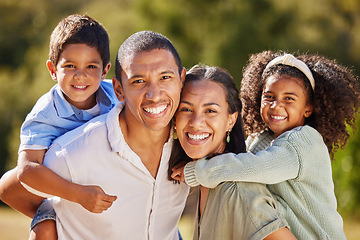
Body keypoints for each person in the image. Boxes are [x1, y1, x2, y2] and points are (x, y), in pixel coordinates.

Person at [173, 51, 360, 239]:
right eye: (269, 96)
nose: (276, 105)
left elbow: (253, 166)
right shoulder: (263, 139)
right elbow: (241, 160)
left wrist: (198, 171)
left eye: (289, 98)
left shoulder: (304, 142)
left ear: (308, 107)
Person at [26, 30, 189, 239]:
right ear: (119, 90)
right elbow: (13, 187)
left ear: (181, 79)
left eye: (165, 77)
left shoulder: (192, 143)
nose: (154, 95)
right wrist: (48, 221)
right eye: (139, 81)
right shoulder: (72, 154)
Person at [0, 14, 118, 239]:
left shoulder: (116, 97)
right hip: (64, 194)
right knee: (43, 230)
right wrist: (78, 195)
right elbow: (26, 169)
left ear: (105, 70)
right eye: (70, 65)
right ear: (53, 70)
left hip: (108, 188)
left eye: (91, 66)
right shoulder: (45, 113)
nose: (80, 75)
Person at [170, 64, 297, 240]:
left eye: (210, 111)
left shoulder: (238, 192)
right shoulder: (206, 183)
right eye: (186, 109)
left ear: (231, 120)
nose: (196, 122)